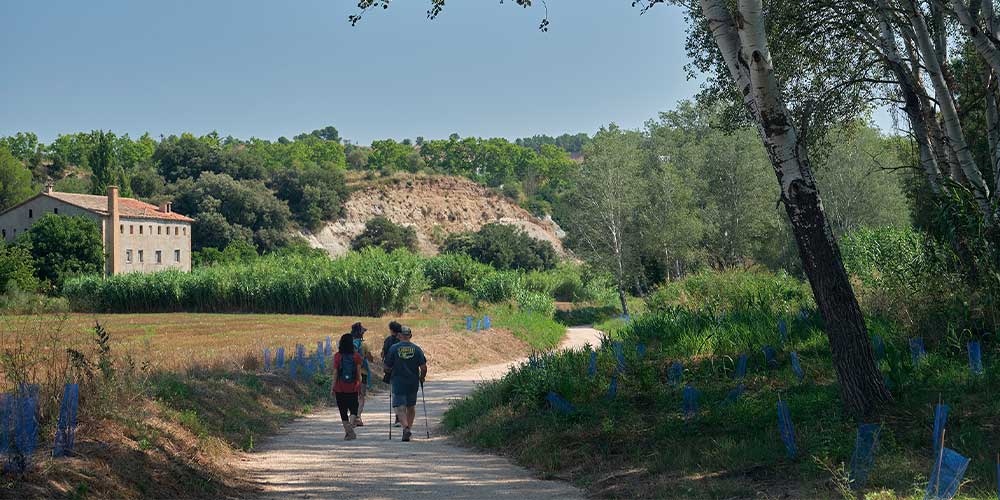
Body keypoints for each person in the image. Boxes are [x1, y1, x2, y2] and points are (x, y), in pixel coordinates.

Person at [383, 326, 427, 442]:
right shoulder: (417, 349)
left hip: (398, 381)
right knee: (411, 407)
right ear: (410, 336)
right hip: (413, 382)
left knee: (400, 407)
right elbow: (423, 367)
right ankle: (407, 429)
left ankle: (406, 428)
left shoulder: (393, 348)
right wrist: (422, 378)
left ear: (399, 336)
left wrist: (388, 371)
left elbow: (386, 367)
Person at [332, 333, 363, 440]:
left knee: (342, 410)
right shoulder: (356, 356)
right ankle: (350, 429)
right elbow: (358, 374)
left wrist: (333, 387)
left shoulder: (337, 356)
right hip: (353, 387)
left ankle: (349, 432)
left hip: (340, 388)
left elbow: (335, 373)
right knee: (354, 409)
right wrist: (359, 385)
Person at [350, 322, 374, 426]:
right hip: (362, 373)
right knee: (361, 396)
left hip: (350, 373)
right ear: (361, 334)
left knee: (352, 395)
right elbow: (370, 358)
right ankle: (358, 417)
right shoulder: (363, 345)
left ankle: (352, 416)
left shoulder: (348, 344)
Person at [382, 320, 404, 427]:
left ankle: (397, 417)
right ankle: (402, 416)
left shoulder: (388, 341)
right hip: (404, 371)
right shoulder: (403, 340)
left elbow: (383, 355)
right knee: (403, 394)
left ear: (391, 330)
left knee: (395, 394)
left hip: (391, 371)